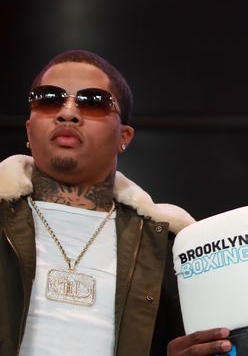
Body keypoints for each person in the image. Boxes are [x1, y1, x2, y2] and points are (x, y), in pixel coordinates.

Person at [0, 49, 194, 355]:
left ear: (124, 136)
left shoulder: (168, 245)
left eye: (93, 101)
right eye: (49, 98)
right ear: (28, 128)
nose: (68, 112)